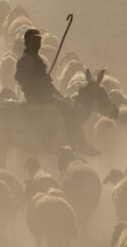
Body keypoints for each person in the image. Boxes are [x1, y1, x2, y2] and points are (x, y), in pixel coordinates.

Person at [15, 28, 100, 156]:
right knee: (69, 109)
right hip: (37, 96)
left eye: (39, 40)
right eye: (35, 41)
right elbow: (20, 78)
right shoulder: (26, 59)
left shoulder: (35, 58)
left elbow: (48, 84)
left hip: (43, 94)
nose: (38, 43)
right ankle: (82, 144)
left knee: (67, 103)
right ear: (27, 42)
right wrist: (38, 81)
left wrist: (59, 95)